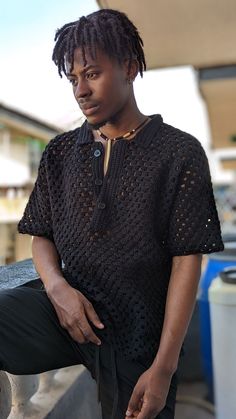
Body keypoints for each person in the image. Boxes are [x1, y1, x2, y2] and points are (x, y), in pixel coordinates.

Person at [0, 8, 224, 419]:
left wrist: (163, 367)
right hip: (68, 313)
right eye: (73, 79)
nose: (80, 90)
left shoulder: (179, 153)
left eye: (92, 73)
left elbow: (186, 259)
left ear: (129, 67)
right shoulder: (60, 152)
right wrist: (57, 289)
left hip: (137, 336)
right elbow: (41, 234)